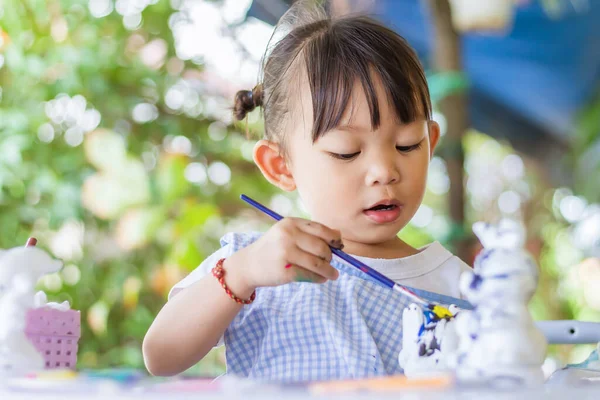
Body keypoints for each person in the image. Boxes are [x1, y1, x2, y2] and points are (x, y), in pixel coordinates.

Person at [143, 2, 471, 382]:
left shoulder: (461, 286)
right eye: (346, 151)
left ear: (430, 143)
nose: (385, 172)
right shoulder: (253, 262)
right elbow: (160, 355)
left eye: (407, 145)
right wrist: (242, 273)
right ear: (281, 166)